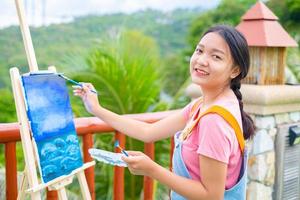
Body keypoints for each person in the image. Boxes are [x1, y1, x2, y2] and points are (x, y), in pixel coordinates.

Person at [73, 25, 255, 200]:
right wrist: (96, 109)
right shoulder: (203, 104)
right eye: (199, 51)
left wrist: (152, 169)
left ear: (235, 70)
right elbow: (148, 132)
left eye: (216, 57)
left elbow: (211, 196)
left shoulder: (213, 119)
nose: (201, 60)